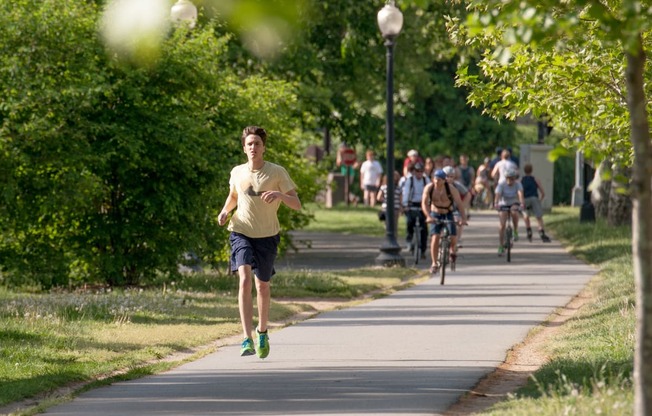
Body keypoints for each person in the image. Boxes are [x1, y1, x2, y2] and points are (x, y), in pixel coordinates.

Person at [218, 126, 302, 359]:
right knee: (244, 279)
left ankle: (262, 331)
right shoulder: (237, 172)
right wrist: (225, 212)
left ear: (263, 148)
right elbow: (233, 196)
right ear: (244, 148)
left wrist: (280, 196)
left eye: (257, 144)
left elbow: (296, 203)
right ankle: (247, 338)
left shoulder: (277, 173)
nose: (253, 147)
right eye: (249, 144)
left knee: (262, 285)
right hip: (241, 231)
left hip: (267, 236)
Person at [423, 169, 466, 274]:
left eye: (439, 180)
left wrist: (463, 219)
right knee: (435, 237)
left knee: (453, 236)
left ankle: (452, 250)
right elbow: (424, 203)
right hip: (435, 213)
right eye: (435, 179)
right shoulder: (429, 188)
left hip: (448, 213)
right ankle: (434, 263)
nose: (437, 182)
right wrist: (428, 216)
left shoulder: (451, 189)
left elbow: (460, 204)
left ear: (444, 180)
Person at [401, 162, 430, 259]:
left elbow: (430, 193)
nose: (419, 174)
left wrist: (430, 205)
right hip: (411, 204)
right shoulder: (410, 180)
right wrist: (405, 205)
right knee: (410, 222)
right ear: (414, 172)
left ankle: (422, 250)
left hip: (423, 205)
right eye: (417, 171)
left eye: (421, 172)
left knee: (424, 228)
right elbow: (406, 192)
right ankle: (409, 241)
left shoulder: (426, 180)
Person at [494, 167, 525, 256]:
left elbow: (520, 193)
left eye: (512, 178)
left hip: (514, 202)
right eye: (508, 178)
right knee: (502, 224)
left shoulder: (518, 184)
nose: (510, 180)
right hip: (503, 203)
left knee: (514, 212)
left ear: (515, 178)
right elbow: (498, 194)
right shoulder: (501, 184)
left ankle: (515, 230)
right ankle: (500, 246)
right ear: (506, 178)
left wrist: (522, 203)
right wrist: (496, 203)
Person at [521, 163, 551, 242]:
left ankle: (529, 231)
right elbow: (542, 192)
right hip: (534, 198)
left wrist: (521, 201)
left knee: (526, 215)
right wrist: (540, 200)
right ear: (532, 170)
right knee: (539, 217)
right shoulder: (535, 179)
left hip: (525, 199)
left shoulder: (521, 180)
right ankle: (541, 233)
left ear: (524, 171)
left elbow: (520, 192)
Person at [376, 170, 402, 236]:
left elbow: (379, 197)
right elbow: (400, 200)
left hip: (387, 208)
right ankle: (393, 237)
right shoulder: (398, 188)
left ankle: (389, 236)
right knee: (394, 225)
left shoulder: (384, 187)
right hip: (393, 208)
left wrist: (385, 200)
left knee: (388, 224)